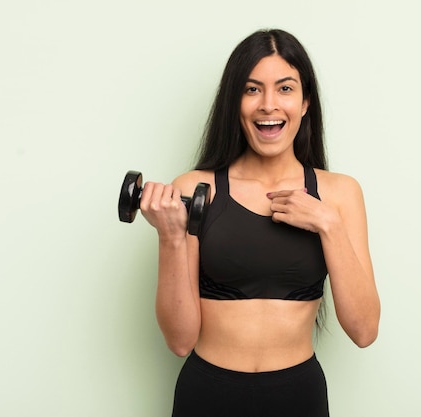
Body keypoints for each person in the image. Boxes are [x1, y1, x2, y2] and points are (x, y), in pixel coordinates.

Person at [139, 28, 380, 417]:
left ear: (305, 103)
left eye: (285, 89)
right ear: (234, 103)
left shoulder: (339, 194)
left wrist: (328, 224)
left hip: (297, 395)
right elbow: (180, 341)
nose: (269, 105)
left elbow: (364, 330)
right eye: (252, 90)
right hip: (207, 393)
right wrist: (171, 238)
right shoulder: (196, 188)